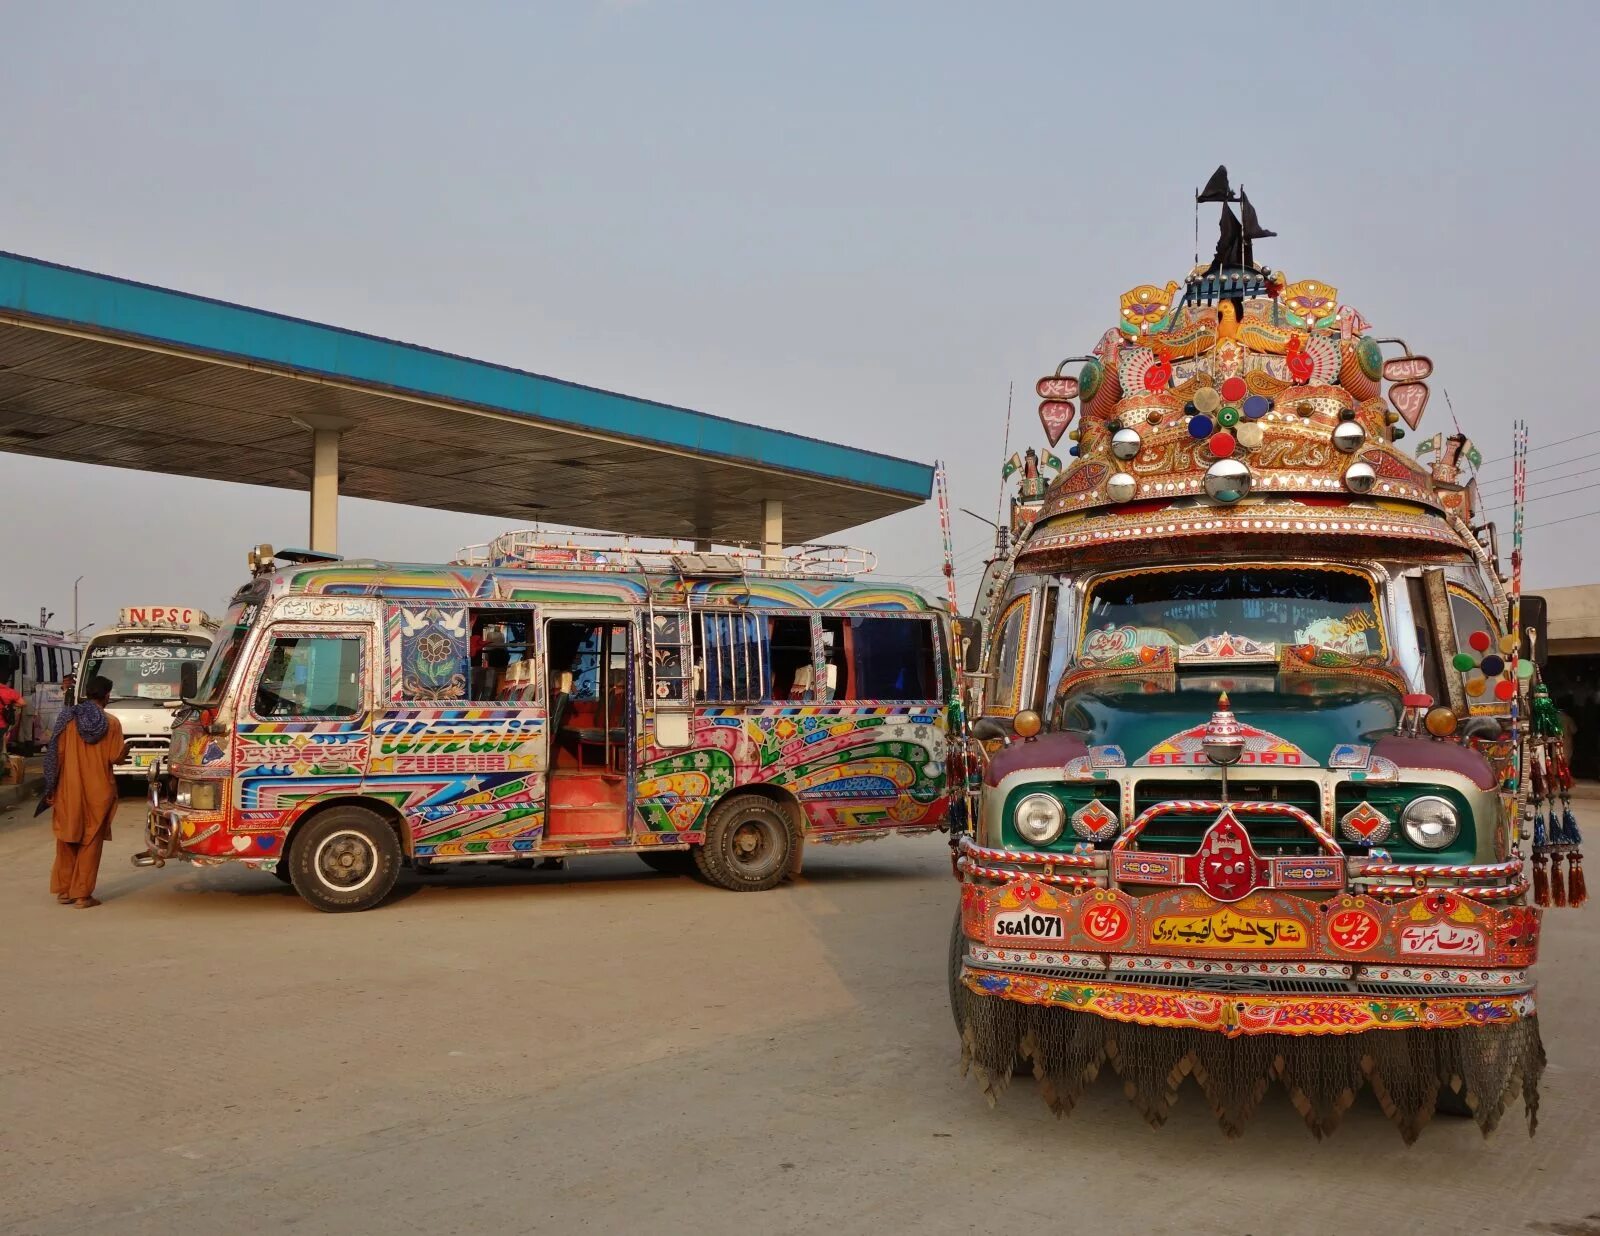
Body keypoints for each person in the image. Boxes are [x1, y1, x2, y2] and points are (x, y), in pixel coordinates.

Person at [44, 674, 124, 908]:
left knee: (67, 837)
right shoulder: (111, 723)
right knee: (91, 839)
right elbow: (114, 756)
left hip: (68, 788)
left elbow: (54, 755)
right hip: (99, 789)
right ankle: (82, 895)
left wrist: (51, 786)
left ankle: (64, 890)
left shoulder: (67, 718)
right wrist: (125, 750)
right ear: (107, 695)